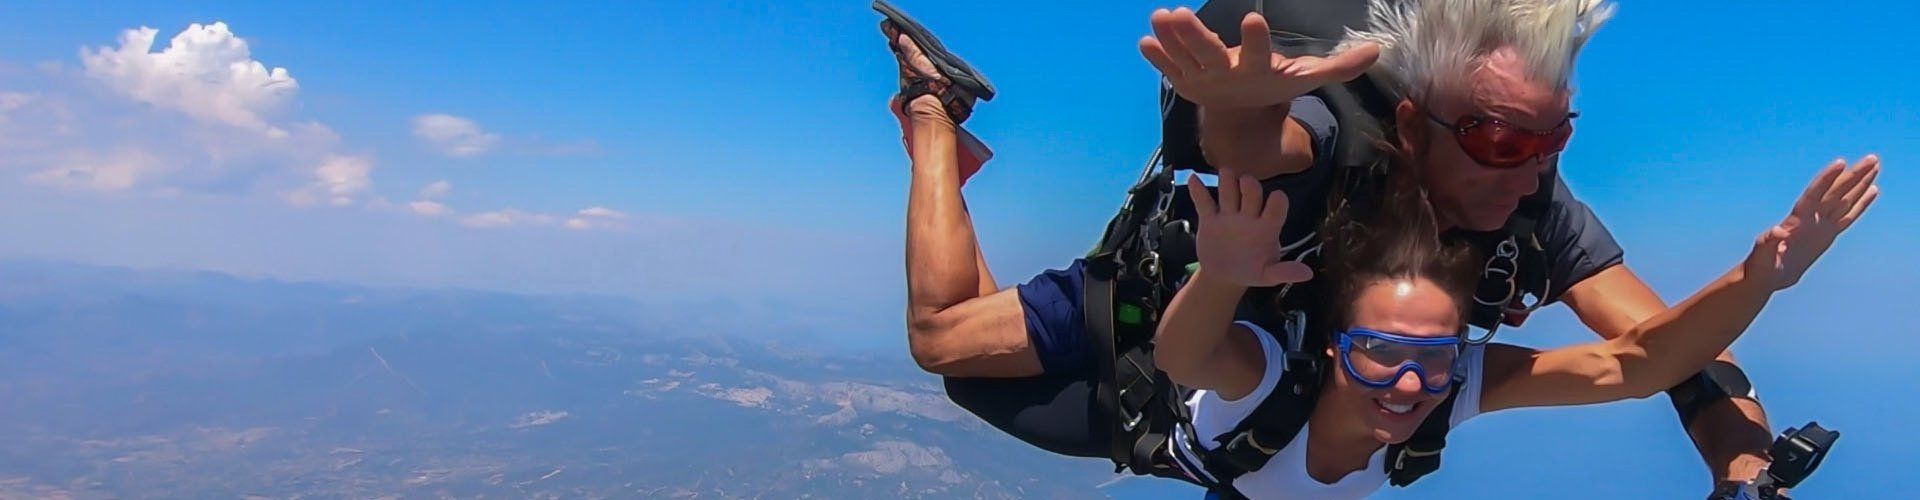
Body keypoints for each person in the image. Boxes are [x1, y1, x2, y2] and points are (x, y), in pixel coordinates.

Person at [882, 0, 1881, 491]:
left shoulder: (1538, 211)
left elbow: (1666, 354)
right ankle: (937, 114)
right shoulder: (1340, 140)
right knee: (942, 336)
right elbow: (1267, 146)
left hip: (1248, 389)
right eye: (1498, 137)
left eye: (1554, 140)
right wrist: (1229, 105)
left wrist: (1742, 467)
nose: (1528, 167)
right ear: (1414, 123)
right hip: (1168, 314)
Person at [1155, 161, 1877, 499]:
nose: (1410, 382)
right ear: (1331, 345)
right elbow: (1183, 353)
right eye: (1377, 352)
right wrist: (1218, 277)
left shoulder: (1451, 385)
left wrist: (1759, 281)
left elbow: (1639, 362)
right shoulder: (1275, 377)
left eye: (1435, 357)